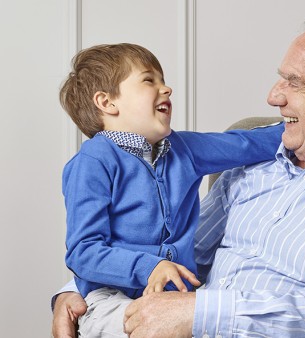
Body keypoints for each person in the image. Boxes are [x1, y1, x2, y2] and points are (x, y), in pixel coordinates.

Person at [53, 18, 305, 338]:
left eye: (293, 82)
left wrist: (201, 314)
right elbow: (183, 251)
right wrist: (75, 295)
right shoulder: (258, 167)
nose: (273, 96)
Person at [56, 43, 283, 337]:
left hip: (178, 298)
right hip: (110, 299)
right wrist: (150, 267)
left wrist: (298, 125)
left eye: (163, 80)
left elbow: (245, 144)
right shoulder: (92, 163)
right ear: (107, 102)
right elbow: (83, 252)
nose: (167, 89)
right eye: (149, 80)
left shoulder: (185, 149)